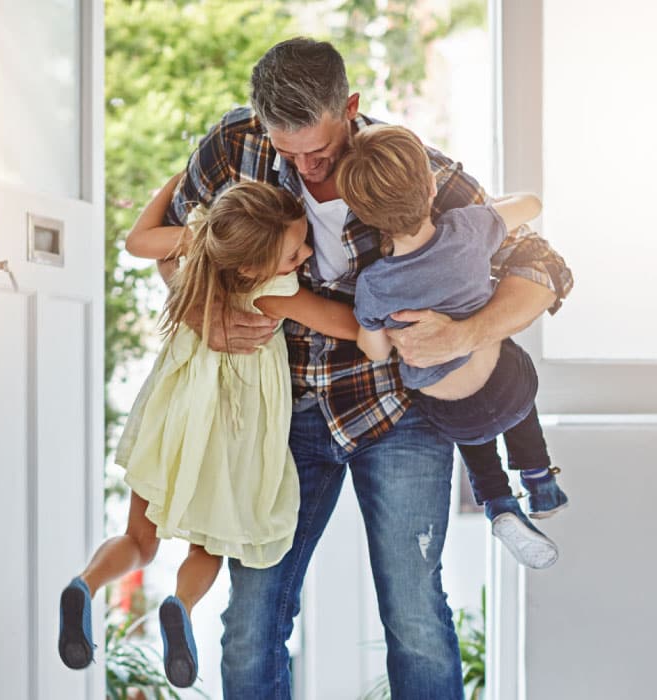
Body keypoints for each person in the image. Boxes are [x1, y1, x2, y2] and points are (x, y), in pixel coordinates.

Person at [154, 38, 573, 699]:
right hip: (278, 412)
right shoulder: (234, 147)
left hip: (397, 412)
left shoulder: (415, 174)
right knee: (250, 621)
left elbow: (545, 268)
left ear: (348, 107)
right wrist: (200, 313)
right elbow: (181, 246)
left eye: (317, 151)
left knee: (414, 615)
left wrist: (467, 330)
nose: (304, 167)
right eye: (286, 152)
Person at [57, 179, 361, 688]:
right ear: (251, 267)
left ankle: (85, 585)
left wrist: (174, 184)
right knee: (208, 547)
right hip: (228, 434)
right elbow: (345, 323)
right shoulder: (272, 292)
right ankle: (180, 604)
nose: (306, 254)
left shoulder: (199, 246)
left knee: (139, 539)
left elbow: (137, 241)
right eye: (294, 253)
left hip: (171, 419)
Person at [337, 124, 571, 570]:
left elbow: (374, 352)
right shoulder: (468, 228)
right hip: (507, 390)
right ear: (430, 187)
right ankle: (540, 479)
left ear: (365, 217)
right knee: (510, 368)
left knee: (463, 418)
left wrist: (383, 327)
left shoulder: (374, 285)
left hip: (452, 415)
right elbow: (532, 205)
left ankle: (498, 500)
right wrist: (498, 206)